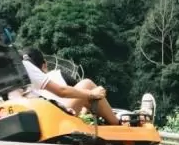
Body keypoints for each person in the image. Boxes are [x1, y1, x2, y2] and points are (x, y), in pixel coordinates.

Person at [21, 47, 157, 126]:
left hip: (36, 118)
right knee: (87, 84)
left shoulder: (14, 79)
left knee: (86, 91)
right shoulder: (50, 74)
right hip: (51, 119)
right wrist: (92, 94)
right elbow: (63, 91)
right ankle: (120, 123)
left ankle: (116, 118)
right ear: (44, 65)